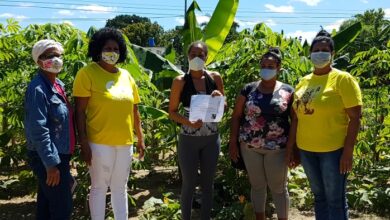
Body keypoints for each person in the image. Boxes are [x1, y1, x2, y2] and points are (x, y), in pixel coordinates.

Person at [286, 30, 362, 220]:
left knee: (335, 200)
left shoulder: (342, 79)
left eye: (325, 50)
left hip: (333, 151)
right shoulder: (304, 81)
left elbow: (355, 117)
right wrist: (293, 148)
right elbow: (296, 118)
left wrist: (348, 151)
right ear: (310, 53)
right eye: (316, 50)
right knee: (319, 198)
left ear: (332, 54)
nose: (320, 53)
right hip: (306, 150)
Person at [73, 27, 145, 220]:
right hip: (98, 143)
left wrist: (140, 137)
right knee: (99, 187)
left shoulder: (126, 76)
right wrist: (84, 142)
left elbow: (134, 110)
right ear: (98, 49)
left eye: (116, 49)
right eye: (108, 48)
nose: (112, 52)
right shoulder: (87, 73)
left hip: (125, 143)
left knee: (120, 187)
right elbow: (79, 111)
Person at [229, 47, 293, 220]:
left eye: (271, 66)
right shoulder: (248, 89)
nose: (266, 68)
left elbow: (295, 121)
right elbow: (236, 116)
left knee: (278, 188)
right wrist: (233, 143)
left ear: (279, 68)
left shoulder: (288, 91)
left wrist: (291, 148)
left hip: (277, 148)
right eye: (263, 65)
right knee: (257, 186)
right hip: (249, 147)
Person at [168, 41, 225, 220]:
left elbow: (224, 108)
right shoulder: (180, 82)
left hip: (211, 139)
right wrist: (188, 122)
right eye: (193, 54)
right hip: (188, 139)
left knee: (208, 184)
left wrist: (220, 98)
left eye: (201, 55)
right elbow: (172, 112)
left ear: (207, 57)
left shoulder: (215, 78)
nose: (197, 58)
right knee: (189, 184)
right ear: (187, 56)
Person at [24, 39, 75, 220]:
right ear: (38, 61)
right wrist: (51, 164)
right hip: (48, 157)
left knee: (46, 206)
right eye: (49, 56)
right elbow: (38, 128)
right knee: (62, 207)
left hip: (60, 154)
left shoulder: (58, 84)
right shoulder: (37, 88)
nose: (55, 59)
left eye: (57, 55)